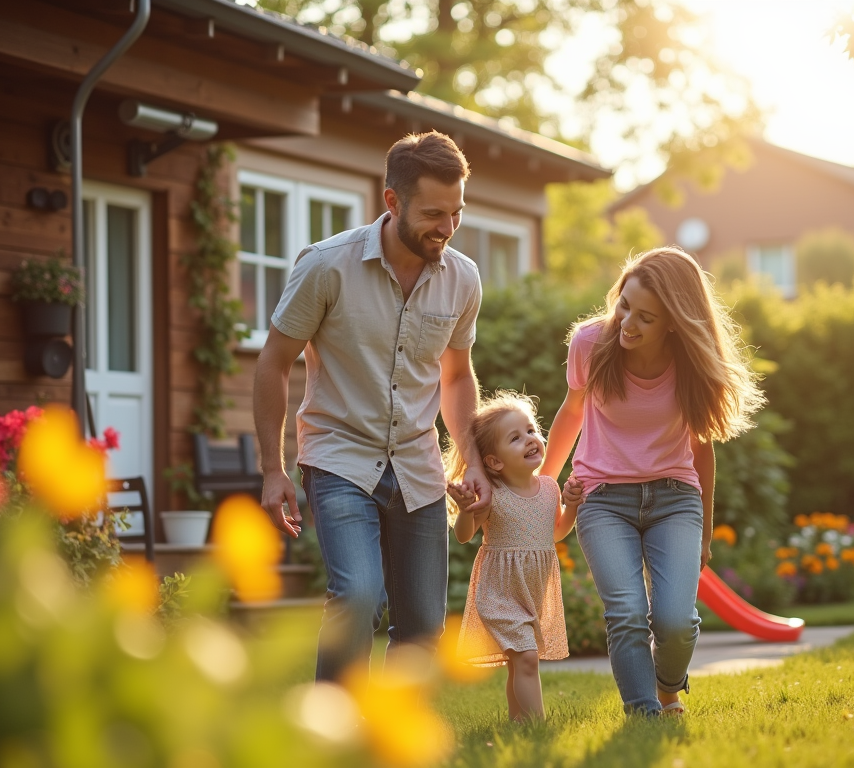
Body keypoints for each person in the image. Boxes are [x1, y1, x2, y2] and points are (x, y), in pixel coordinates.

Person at [253, 131, 492, 683]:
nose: (447, 227)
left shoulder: (463, 279)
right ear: (392, 201)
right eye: (434, 213)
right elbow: (273, 362)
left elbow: (456, 377)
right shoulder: (327, 266)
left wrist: (472, 458)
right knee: (357, 596)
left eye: (456, 213)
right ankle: (331, 731)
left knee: (424, 625)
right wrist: (273, 467)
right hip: (339, 456)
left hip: (417, 462)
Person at [540, 247, 764, 716]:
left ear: (674, 323)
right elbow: (572, 411)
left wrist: (704, 533)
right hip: (604, 501)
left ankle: (668, 687)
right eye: (624, 305)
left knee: (676, 621)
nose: (627, 324)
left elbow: (703, 449)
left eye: (645, 317)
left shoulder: (691, 364)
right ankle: (644, 715)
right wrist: (542, 485)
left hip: (675, 500)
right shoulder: (589, 344)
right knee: (625, 613)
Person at [445, 391, 581, 722]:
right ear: (494, 461)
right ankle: (538, 724)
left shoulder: (549, 488)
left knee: (519, 662)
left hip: (532, 592)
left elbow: (557, 532)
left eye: (532, 430)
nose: (530, 440)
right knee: (527, 659)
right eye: (516, 438)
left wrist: (573, 504)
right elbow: (464, 536)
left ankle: (519, 721)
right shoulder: (493, 495)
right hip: (500, 592)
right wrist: (465, 510)